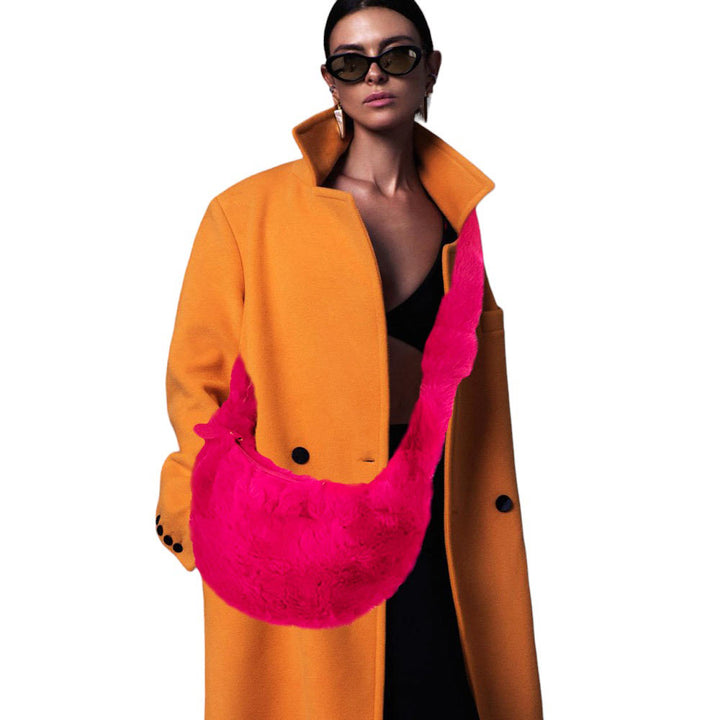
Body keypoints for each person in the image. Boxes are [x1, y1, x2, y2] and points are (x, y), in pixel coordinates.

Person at [156, 1, 544, 718]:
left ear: (430, 70)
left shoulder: (460, 219)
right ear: (329, 81)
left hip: (440, 520)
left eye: (397, 55)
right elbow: (196, 385)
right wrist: (211, 517)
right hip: (308, 529)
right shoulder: (249, 213)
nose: (375, 75)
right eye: (351, 61)